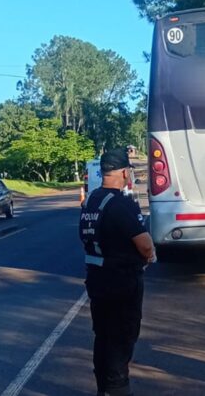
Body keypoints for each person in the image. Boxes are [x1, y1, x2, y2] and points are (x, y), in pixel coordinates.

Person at [79, 148, 156, 396]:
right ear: (124, 172)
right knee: (121, 339)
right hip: (121, 281)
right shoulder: (121, 204)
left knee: (103, 336)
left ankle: (104, 388)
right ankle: (117, 389)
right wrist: (149, 255)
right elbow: (144, 243)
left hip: (97, 279)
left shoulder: (91, 201)